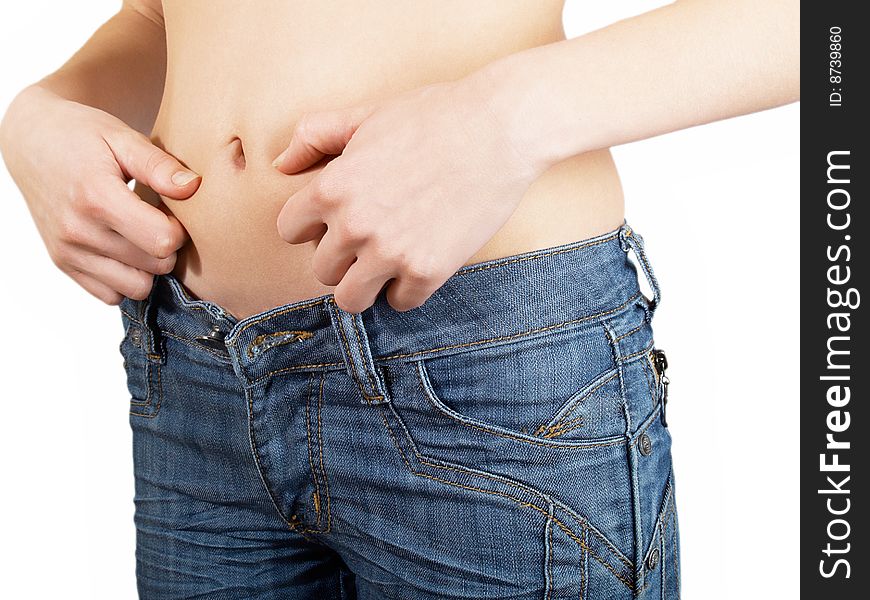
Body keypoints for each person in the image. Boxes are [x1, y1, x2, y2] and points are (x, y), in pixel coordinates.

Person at [0, 1, 799, 598]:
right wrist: (44, 111)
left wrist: (504, 120)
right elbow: (161, 15)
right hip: (195, 382)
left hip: (485, 379)